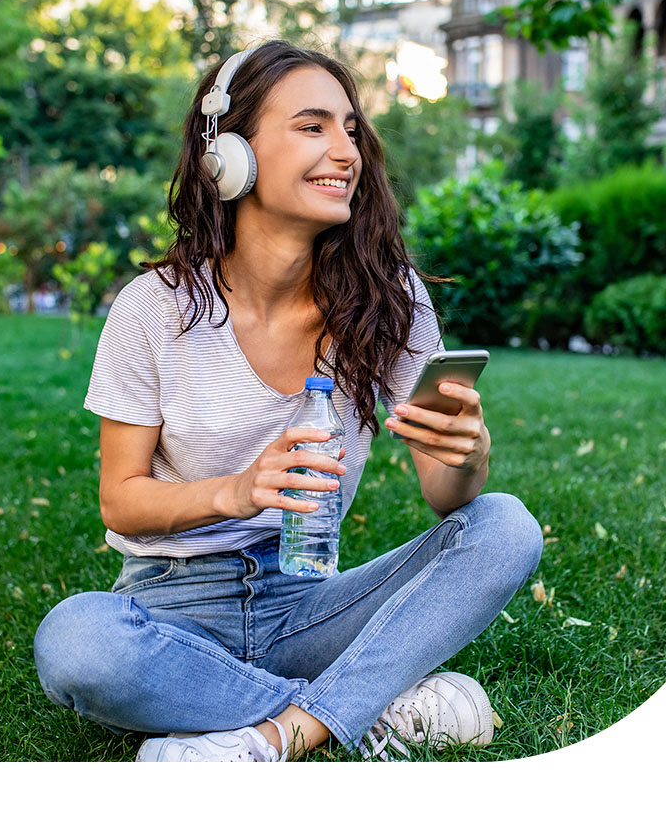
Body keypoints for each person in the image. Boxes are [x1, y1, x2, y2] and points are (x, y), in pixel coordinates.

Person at [33, 40, 543, 762]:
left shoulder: (389, 301)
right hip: (173, 605)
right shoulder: (154, 308)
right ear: (228, 155)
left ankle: (276, 735)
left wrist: (466, 457)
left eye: (351, 128)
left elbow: (446, 499)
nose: (346, 151)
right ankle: (366, 706)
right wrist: (237, 492)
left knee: (505, 526)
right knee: (77, 642)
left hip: (307, 597)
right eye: (312, 127)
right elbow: (121, 502)